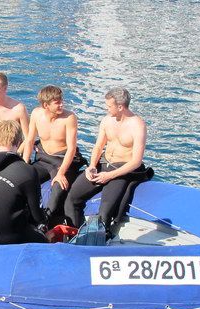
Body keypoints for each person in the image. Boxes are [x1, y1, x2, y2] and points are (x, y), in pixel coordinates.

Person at [63, 87, 148, 231]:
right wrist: (92, 165)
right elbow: (98, 146)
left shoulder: (138, 125)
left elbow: (136, 161)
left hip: (121, 170)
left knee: (105, 212)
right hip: (103, 164)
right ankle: (76, 233)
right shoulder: (107, 120)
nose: (107, 109)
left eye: (109, 106)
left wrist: (109, 176)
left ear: (120, 107)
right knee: (72, 198)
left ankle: (102, 240)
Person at [22, 85, 85, 223]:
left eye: (61, 101)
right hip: (44, 160)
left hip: (62, 161)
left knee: (58, 188)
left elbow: (72, 149)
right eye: (57, 102)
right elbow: (29, 140)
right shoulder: (37, 114)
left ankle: (46, 222)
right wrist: (25, 164)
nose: (61, 104)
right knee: (24, 179)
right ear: (46, 105)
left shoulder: (69, 118)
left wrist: (61, 173)